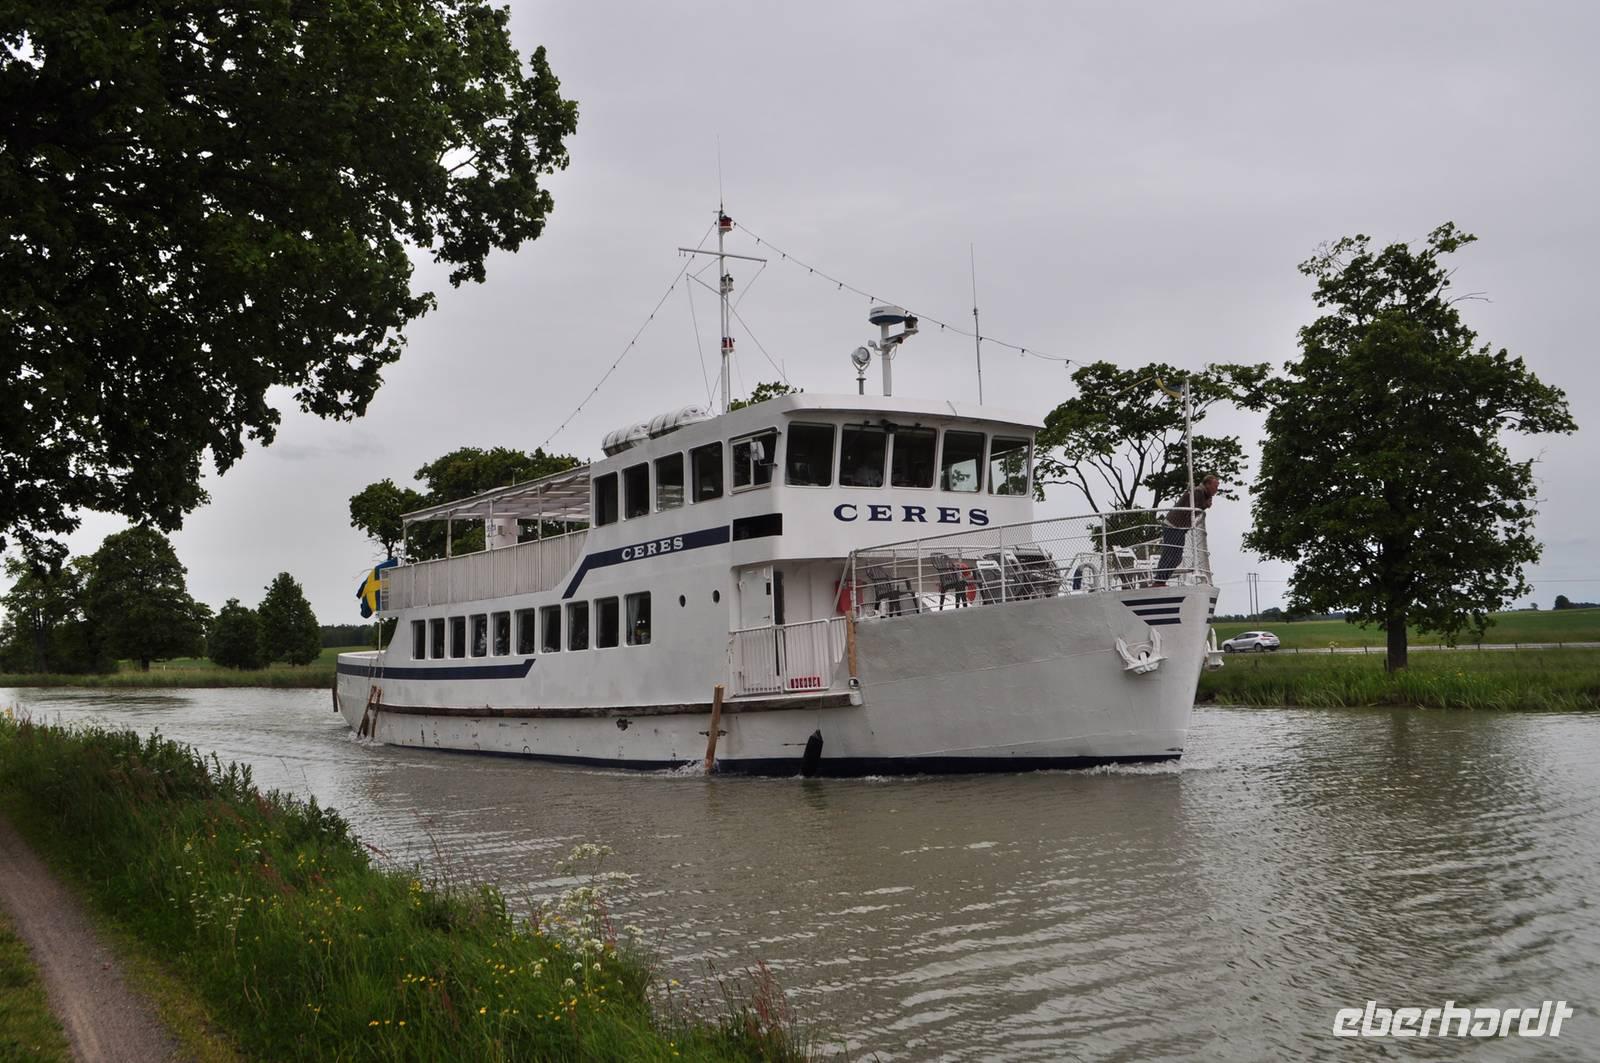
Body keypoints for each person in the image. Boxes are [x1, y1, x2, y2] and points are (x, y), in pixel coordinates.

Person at [1153, 474, 1219, 586]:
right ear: (1207, 484)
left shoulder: (1202, 493)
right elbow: (1191, 511)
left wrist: (1205, 504)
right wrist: (1204, 506)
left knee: (1175, 557)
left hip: (1178, 527)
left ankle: (1161, 580)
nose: (1216, 490)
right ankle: (1159, 581)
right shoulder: (1198, 492)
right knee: (1171, 555)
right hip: (1174, 526)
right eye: (1215, 486)